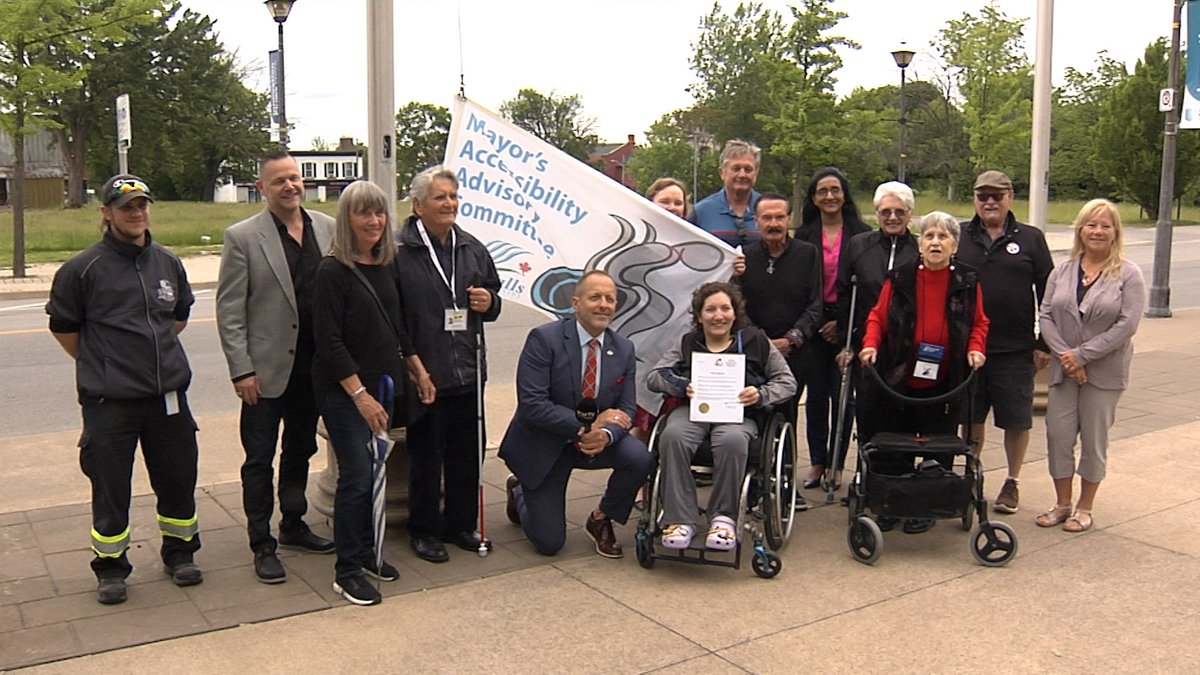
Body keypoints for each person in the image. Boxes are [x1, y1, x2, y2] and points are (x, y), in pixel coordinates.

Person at [46, 174, 201, 605]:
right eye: (126, 206)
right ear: (107, 213)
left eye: (142, 205)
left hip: (167, 399)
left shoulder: (168, 262)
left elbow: (178, 317)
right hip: (109, 403)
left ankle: (180, 553)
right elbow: (65, 329)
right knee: (111, 488)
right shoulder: (82, 270)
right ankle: (111, 567)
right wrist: (106, 364)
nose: (136, 213)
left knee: (178, 480)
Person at [216, 150, 336, 585]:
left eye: (294, 178)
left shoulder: (326, 228)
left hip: (313, 369)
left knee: (301, 449)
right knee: (260, 459)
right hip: (264, 373)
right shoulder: (242, 237)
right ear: (262, 187)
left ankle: (293, 522)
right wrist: (241, 370)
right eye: (279, 181)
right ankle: (261, 543)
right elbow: (230, 311)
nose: (290, 186)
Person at [312, 181, 432, 606]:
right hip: (347, 393)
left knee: (377, 477)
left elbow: (398, 329)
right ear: (348, 219)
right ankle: (346, 570)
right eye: (364, 213)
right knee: (358, 474)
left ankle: (366, 551)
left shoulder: (383, 266)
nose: (374, 221)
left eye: (379, 213)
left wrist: (418, 371)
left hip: (385, 389)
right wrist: (360, 395)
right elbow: (329, 344)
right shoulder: (331, 272)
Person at [499, 271, 651, 557]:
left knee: (640, 458)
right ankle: (519, 490)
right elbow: (532, 404)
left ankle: (600, 518)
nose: (603, 305)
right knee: (549, 544)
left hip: (593, 443)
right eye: (595, 297)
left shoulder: (623, 349)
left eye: (610, 299)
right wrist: (590, 424)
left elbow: (626, 409)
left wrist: (605, 435)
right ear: (576, 303)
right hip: (547, 444)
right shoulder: (544, 339)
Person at [395, 166, 502, 563]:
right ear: (418, 204)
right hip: (426, 372)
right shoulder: (399, 251)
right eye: (441, 197)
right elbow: (395, 318)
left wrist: (488, 302)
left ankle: (460, 524)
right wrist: (414, 367)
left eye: (454, 197)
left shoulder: (471, 247)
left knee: (467, 454)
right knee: (426, 457)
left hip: (468, 370)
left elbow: (493, 300)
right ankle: (423, 531)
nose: (450, 204)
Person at [858, 211, 989, 534]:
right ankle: (892, 504)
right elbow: (877, 316)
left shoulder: (967, 280)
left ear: (954, 246)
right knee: (895, 444)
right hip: (899, 376)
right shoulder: (899, 277)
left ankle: (928, 506)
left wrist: (976, 348)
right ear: (919, 243)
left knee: (936, 445)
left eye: (942, 237)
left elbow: (979, 322)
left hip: (945, 379)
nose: (935, 242)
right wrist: (871, 345)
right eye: (929, 236)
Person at [647, 282, 797, 550]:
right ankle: (681, 519)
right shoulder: (687, 343)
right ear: (699, 315)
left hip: (738, 415)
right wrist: (682, 385)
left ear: (735, 312)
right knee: (672, 435)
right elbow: (655, 376)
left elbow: (787, 382)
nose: (718, 316)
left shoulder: (756, 341)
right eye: (710, 309)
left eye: (725, 308)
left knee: (732, 440)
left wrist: (761, 394)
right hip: (694, 412)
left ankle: (723, 518)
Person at [1035, 199, 1144, 533]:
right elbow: (1047, 315)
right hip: (1063, 371)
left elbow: (1127, 325)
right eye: (1091, 225)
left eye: (1105, 226)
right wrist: (1067, 357)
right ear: (1080, 230)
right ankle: (1062, 503)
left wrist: (1082, 356)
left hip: (1104, 374)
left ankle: (1085, 507)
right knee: (1058, 435)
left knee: (1094, 441)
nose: (1097, 231)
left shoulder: (1128, 274)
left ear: (1115, 233)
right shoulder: (1062, 271)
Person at [956, 170, 1054, 515]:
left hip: (1015, 349)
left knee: (1016, 419)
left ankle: (1012, 481)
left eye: (997, 195)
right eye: (983, 195)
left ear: (1010, 196)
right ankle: (969, 474)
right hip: (969, 349)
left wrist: (1044, 343)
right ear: (975, 198)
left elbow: (1048, 294)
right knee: (970, 418)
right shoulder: (961, 237)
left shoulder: (1030, 239)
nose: (990, 201)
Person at [732, 192, 821, 475]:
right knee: (752, 413)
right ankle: (754, 478)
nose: (773, 223)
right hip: (754, 351)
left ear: (789, 219)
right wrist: (760, 342)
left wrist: (793, 338)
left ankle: (785, 480)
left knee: (787, 416)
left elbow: (816, 304)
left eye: (779, 217)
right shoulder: (744, 257)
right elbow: (737, 306)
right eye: (766, 217)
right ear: (756, 221)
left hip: (795, 350)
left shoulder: (808, 254)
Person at [795, 168, 870, 490]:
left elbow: (866, 284)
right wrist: (816, 322)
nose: (829, 196)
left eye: (835, 190)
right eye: (822, 191)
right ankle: (817, 462)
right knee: (816, 396)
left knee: (844, 397)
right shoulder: (802, 235)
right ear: (813, 198)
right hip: (813, 322)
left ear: (844, 194)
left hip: (848, 320)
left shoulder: (862, 234)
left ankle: (837, 465)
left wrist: (841, 322)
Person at [836, 181, 920, 448]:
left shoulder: (919, 249)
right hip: (867, 344)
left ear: (909, 214)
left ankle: (900, 470)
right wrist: (845, 343)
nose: (892, 217)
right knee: (868, 407)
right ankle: (868, 467)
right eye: (885, 212)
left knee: (905, 408)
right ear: (877, 213)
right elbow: (845, 294)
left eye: (899, 211)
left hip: (908, 345)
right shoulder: (859, 245)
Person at [691, 139, 762, 247]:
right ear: (722, 173)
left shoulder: (767, 209)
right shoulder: (701, 212)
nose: (742, 175)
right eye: (736, 169)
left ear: (756, 174)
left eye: (748, 169)